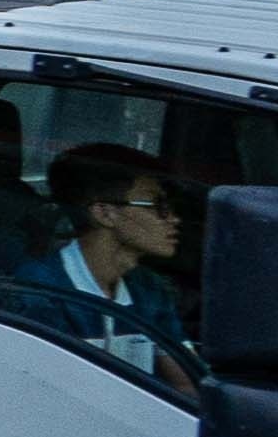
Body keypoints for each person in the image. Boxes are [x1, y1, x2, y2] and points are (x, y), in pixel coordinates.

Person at [23, 141, 194, 375]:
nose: (173, 219)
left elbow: (187, 383)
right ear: (105, 213)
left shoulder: (149, 289)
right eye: (157, 206)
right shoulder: (40, 289)